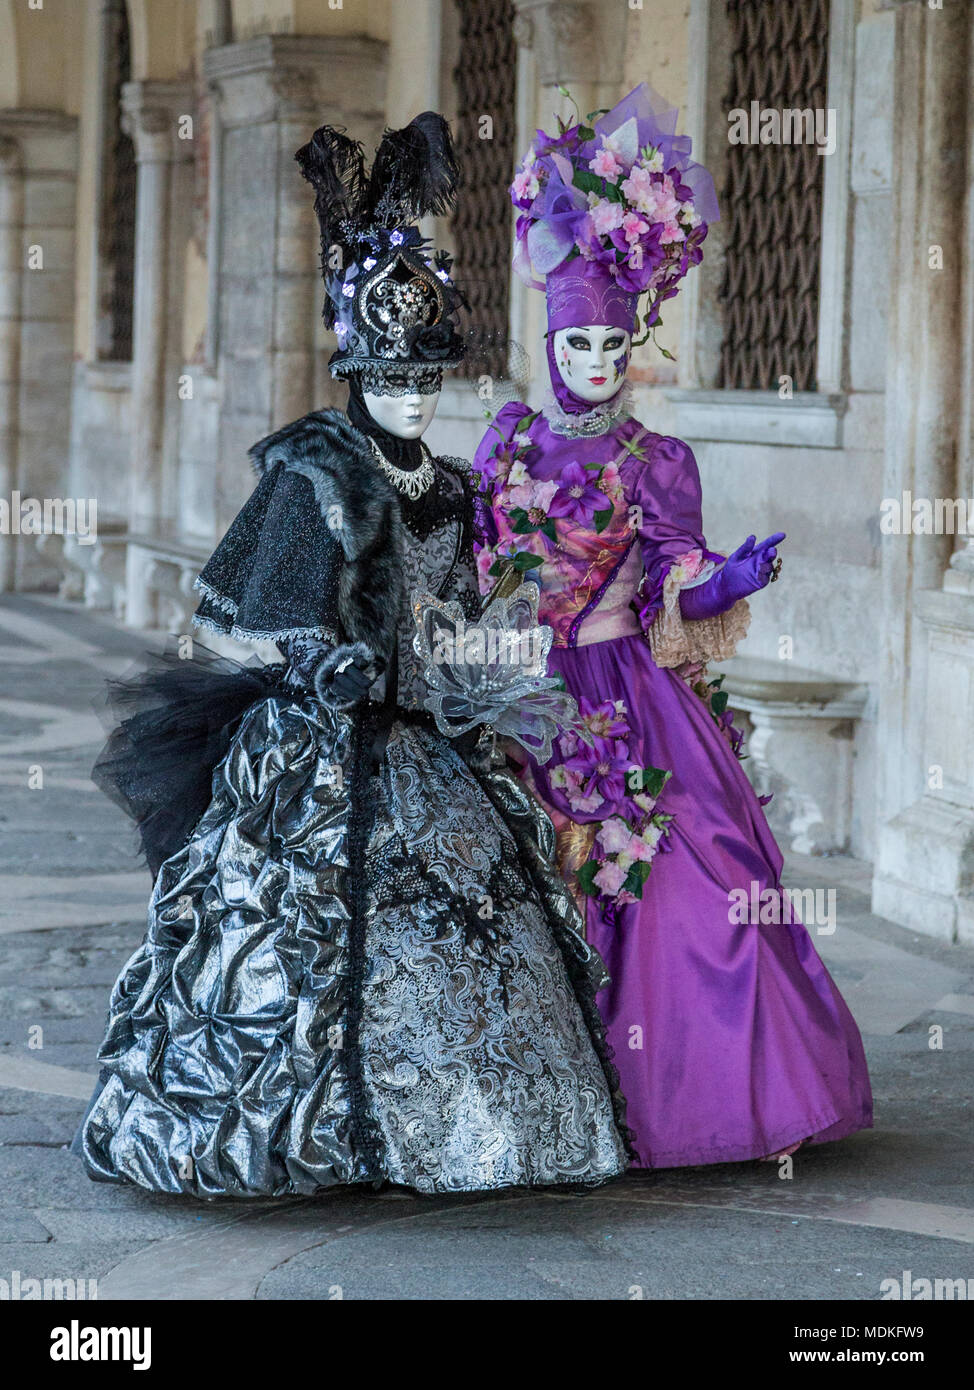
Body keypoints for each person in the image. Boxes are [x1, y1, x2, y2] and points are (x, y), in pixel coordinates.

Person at [74, 113, 630, 1197]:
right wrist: (321, 663)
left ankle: (467, 1123)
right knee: (301, 935)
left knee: (478, 913)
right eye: (392, 379)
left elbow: (460, 602)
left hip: (429, 743)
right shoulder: (313, 471)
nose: (413, 399)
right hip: (318, 749)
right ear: (354, 371)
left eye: (427, 381)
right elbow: (249, 609)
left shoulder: (455, 485)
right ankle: (320, 1127)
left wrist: (478, 669)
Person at [473, 85, 872, 1168]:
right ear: (549, 344)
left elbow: (669, 589)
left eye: (614, 346)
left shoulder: (657, 462)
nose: (598, 365)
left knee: (701, 884)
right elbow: (468, 576)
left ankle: (695, 1101)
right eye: (579, 346)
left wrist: (718, 582)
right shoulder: (504, 448)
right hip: (518, 691)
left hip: (629, 697)